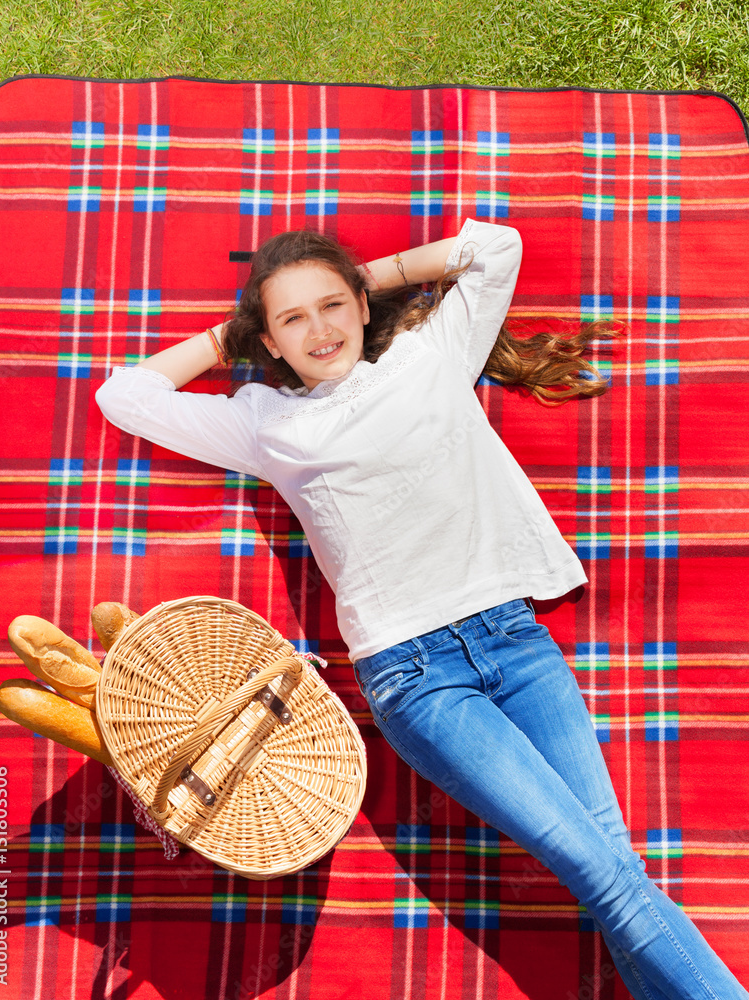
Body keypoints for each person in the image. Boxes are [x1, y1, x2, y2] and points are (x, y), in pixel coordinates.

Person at [95, 219, 747, 1000]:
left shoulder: (431, 357)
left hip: (513, 641)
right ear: (268, 340)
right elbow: (123, 396)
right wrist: (230, 330)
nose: (318, 328)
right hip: (417, 680)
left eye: (332, 304)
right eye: (292, 319)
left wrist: (362, 275)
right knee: (607, 877)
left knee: (612, 871)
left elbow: (495, 246)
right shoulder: (266, 423)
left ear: (363, 305)